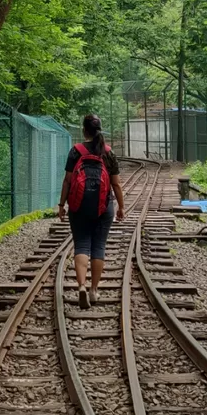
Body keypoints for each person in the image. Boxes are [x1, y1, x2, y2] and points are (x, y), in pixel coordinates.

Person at [57, 114, 125, 308]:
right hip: (104, 207)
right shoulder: (108, 152)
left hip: (78, 207)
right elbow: (116, 184)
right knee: (98, 247)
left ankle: (81, 286)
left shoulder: (75, 151)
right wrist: (121, 207)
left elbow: (68, 181)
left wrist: (62, 205)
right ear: (100, 130)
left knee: (81, 245)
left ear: (84, 130)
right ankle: (94, 291)